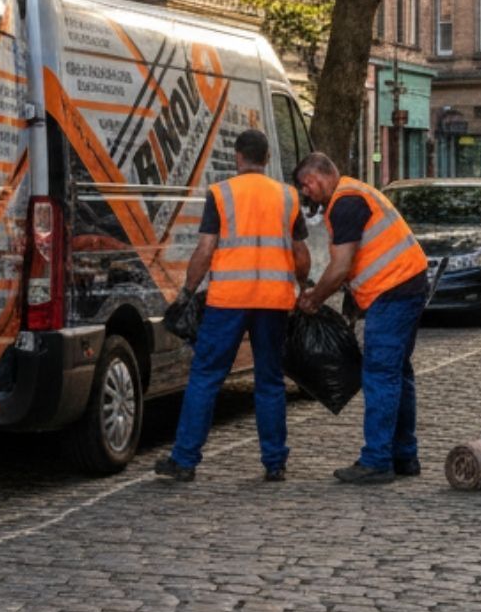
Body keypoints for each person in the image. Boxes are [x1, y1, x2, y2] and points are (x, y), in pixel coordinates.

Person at [153, 129, 311, 483]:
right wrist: (305, 288)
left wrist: (186, 293)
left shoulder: (221, 195)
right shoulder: (288, 197)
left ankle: (185, 459)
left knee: (206, 377)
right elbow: (300, 253)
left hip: (229, 301)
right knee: (269, 380)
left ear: (238, 157)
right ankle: (274, 462)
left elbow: (206, 250)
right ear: (267, 158)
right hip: (273, 301)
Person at [293, 153, 430, 484]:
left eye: (305, 186)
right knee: (399, 372)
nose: (306, 194)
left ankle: (377, 459)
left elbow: (340, 266)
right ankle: (403, 455)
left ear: (317, 178)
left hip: (393, 290)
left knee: (380, 373)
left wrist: (314, 298)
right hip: (407, 283)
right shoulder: (355, 192)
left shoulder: (346, 202)